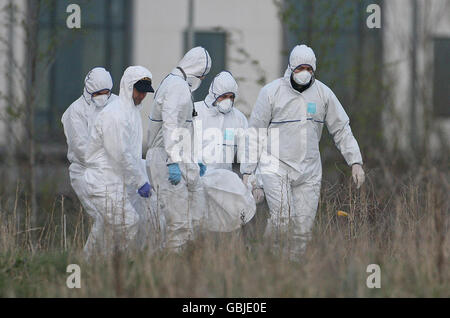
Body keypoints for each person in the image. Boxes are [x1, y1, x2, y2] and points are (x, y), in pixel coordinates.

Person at [241, 44, 366, 260]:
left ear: (314, 70)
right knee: (283, 219)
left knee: (302, 229)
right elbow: (255, 133)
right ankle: (267, 258)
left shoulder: (323, 94)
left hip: (309, 170)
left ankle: (290, 269)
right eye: (299, 68)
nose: (304, 73)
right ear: (290, 68)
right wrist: (248, 171)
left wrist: (355, 161)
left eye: (309, 68)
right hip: (276, 166)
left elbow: (341, 128)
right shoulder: (271, 93)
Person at [84, 65, 155, 256]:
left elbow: (131, 154)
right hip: (103, 181)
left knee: (105, 230)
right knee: (128, 223)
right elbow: (121, 154)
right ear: (128, 86)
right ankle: (113, 265)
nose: (141, 96)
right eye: (139, 91)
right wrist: (141, 181)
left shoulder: (131, 112)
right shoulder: (115, 114)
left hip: (117, 182)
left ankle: (90, 263)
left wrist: (145, 176)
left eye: (144, 93)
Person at [146, 47, 211, 252]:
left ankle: (181, 264)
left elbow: (184, 128)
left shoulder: (177, 84)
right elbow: (171, 124)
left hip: (178, 156)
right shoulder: (176, 86)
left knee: (190, 219)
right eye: (202, 75)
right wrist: (173, 160)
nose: (201, 78)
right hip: (166, 158)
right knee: (178, 224)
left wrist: (193, 158)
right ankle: (173, 269)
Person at [61, 67, 117, 256]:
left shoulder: (117, 103)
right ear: (88, 90)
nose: (103, 96)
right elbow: (83, 150)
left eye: (106, 93)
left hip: (113, 171)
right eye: (98, 93)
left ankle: (110, 261)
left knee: (119, 218)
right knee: (105, 217)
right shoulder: (75, 112)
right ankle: (88, 260)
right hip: (85, 173)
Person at [193, 71, 258, 232]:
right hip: (196, 180)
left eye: (231, 97)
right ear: (214, 95)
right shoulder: (196, 112)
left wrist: (248, 177)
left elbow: (248, 149)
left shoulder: (238, 118)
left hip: (223, 184)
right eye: (223, 96)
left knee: (223, 225)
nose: (227, 101)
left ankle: (221, 255)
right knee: (196, 224)